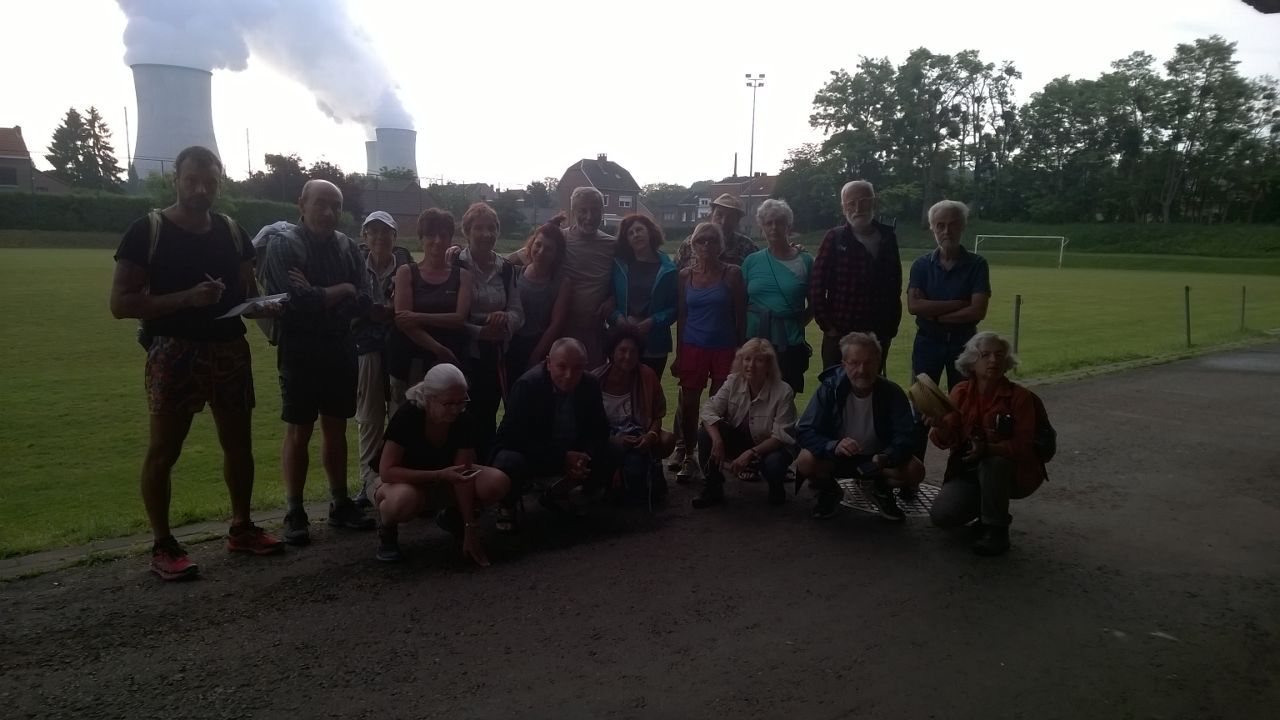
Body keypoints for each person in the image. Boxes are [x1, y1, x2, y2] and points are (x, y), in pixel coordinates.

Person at [110, 145, 283, 579]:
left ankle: (241, 528)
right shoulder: (147, 231)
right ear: (176, 180)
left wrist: (263, 305)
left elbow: (247, 291)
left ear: (219, 183)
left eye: (209, 182)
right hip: (174, 350)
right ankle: (163, 545)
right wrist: (187, 298)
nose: (201, 190)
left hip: (229, 348)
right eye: (192, 181)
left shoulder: (232, 231)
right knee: (164, 450)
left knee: (239, 446)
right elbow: (120, 303)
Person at [259, 178, 375, 545]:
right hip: (300, 349)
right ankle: (295, 510)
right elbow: (293, 302)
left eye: (335, 206)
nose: (328, 212)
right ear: (302, 204)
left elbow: (365, 300)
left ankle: (340, 503)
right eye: (320, 204)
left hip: (339, 347)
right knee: (299, 430)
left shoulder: (347, 246)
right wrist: (341, 289)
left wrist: (317, 293)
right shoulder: (283, 244)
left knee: (336, 428)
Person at [374, 363, 511, 564]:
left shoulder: (464, 419)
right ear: (429, 398)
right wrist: (438, 475)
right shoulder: (408, 416)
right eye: (449, 403)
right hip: (399, 482)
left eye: (461, 401)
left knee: (497, 482)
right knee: (404, 500)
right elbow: (387, 471)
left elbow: (463, 474)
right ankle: (387, 530)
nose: (456, 409)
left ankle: (453, 517)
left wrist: (469, 528)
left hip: (445, 478)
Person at [926, 332, 1046, 556]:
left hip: (1014, 474)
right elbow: (944, 441)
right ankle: (985, 512)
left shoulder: (1020, 397)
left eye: (999, 355)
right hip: (969, 472)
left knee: (994, 462)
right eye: (985, 355)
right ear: (972, 361)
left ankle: (997, 530)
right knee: (942, 516)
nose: (993, 360)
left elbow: (1024, 446)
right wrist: (940, 425)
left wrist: (988, 449)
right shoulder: (960, 392)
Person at [796, 332, 926, 521]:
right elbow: (805, 429)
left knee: (916, 471)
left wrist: (887, 456)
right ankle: (830, 491)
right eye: (854, 363)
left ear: (879, 362)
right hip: (837, 457)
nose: (862, 370)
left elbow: (906, 435)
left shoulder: (892, 392)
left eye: (868, 362)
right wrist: (834, 445)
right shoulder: (829, 388)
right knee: (805, 461)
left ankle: (881, 489)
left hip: (877, 460)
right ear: (844, 364)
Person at [669, 192, 757, 472]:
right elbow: (682, 314)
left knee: (720, 406)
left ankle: (713, 455)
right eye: (701, 240)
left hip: (724, 347)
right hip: (693, 346)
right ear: (693, 244)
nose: (706, 244)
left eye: (712, 241)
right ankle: (686, 452)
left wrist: (741, 352)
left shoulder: (736, 268)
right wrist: (679, 353)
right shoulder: (685, 272)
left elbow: (740, 315)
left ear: (721, 245)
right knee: (688, 403)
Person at [489, 338, 613, 532]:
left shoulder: (590, 384)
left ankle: (567, 493)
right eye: (562, 366)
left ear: (585, 366)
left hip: (574, 452)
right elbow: (511, 438)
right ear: (548, 363)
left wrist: (585, 456)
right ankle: (507, 506)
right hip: (536, 453)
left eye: (577, 368)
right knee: (508, 460)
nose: (569, 375)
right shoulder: (527, 386)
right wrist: (562, 457)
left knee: (614, 449)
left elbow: (600, 430)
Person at [352, 210, 414, 508]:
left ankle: (399, 474)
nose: (379, 237)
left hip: (399, 346)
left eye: (385, 232)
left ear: (394, 236)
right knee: (369, 415)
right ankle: (368, 481)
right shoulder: (355, 266)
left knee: (400, 411)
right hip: (366, 347)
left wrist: (383, 311)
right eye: (373, 232)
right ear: (364, 236)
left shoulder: (405, 267)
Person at [810, 180, 903, 373]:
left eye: (863, 201)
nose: (858, 208)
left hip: (877, 335)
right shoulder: (834, 238)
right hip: (840, 335)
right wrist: (829, 328)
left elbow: (895, 285)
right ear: (843, 207)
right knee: (835, 387)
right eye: (851, 203)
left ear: (874, 202)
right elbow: (817, 286)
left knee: (872, 387)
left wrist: (890, 329)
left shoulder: (888, 238)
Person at [693, 339, 798, 508]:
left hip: (769, 446)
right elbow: (709, 410)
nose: (751, 365)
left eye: (759, 360)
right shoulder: (733, 381)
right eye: (747, 359)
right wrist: (718, 441)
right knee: (705, 434)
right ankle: (713, 486)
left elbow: (780, 436)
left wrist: (751, 453)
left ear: (769, 365)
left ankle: (775, 485)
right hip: (740, 439)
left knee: (775, 462)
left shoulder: (783, 391)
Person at [455, 202, 524, 460]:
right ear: (466, 231)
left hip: (495, 358)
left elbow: (518, 312)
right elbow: (449, 314)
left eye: (492, 228)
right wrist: (480, 330)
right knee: (461, 420)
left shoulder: (506, 268)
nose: (486, 234)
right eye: (479, 228)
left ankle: (486, 473)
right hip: (462, 355)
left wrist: (505, 321)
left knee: (487, 418)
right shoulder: (455, 264)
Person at [389, 208, 471, 403]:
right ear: (421, 238)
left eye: (443, 235)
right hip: (411, 360)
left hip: (451, 361)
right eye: (430, 235)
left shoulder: (463, 276)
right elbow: (403, 322)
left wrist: (417, 316)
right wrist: (438, 348)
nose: (437, 241)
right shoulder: (406, 272)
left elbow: (459, 319)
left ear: (450, 239)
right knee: (410, 413)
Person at [907, 199, 990, 391]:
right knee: (924, 399)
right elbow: (914, 306)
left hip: (964, 343)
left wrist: (934, 315)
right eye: (940, 225)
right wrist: (959, 304)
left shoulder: (977, 265)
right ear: (932, 228)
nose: (946, 231)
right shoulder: (921, 265)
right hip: (927, 342)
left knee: (965, 399)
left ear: (962, 226)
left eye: (953, 224)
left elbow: (977, 311)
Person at [592, 325, 677, 506]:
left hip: (637, 434)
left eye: (633, 351)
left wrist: (650, 436)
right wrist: (613, 440)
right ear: (612, 352)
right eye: (622, 350)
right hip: (605, 436)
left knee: (667, 439)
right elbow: (587, 424)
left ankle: (644, 473)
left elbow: (658, 415)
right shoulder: (595, 380)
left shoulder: (647, 376)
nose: (628, 356)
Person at [741, 199, 813, 393]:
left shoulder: (805, 261)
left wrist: (796, 323)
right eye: (769, 223)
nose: (774, 227)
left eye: (779, 222)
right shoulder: (751, 261)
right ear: (762, 227)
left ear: (788, 226)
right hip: (754, 342)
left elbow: (815, 304)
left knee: (785, 397)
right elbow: (740, 303)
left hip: (789, 343)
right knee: (752, 397)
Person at [608, 213, 677, 378]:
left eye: (639, 230)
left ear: (650, 232)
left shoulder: (669, 269)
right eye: (630, 233)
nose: (636, 235)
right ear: (626, 240)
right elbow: (608, 300)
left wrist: (652, 322)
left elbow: (675, 307)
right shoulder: (618, 266)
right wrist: (619, 319)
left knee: (649, 390)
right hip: (622, 342)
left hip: (654, 343)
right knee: (620, 389)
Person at [507, 214, 572, 383]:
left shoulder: (561, 283)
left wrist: (536, 356)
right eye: (538, 245)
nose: (541, 251)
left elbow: (556, 324)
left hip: (539, 347)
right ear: (531, 244)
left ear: (557, 254)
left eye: (549, 249)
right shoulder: (515, 272)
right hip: (509, 345)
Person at [560, 187, 618, 366]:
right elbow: (523, 257)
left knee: (595, 378)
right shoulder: (560, 238)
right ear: (573, 212)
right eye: (583, 211)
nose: (589, 217)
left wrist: (613, 299)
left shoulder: (612, 245)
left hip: (595, 331)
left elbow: (627, 280)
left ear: (602, 212)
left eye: (595, 210)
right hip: (562, 329)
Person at [674, 193, 759, 270]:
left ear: (737, 220)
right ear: (711, 215)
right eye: (719, 215)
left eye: (730, 217)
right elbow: (675, 273)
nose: (723, 221)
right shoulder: (690, 243)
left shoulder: (747, 246)